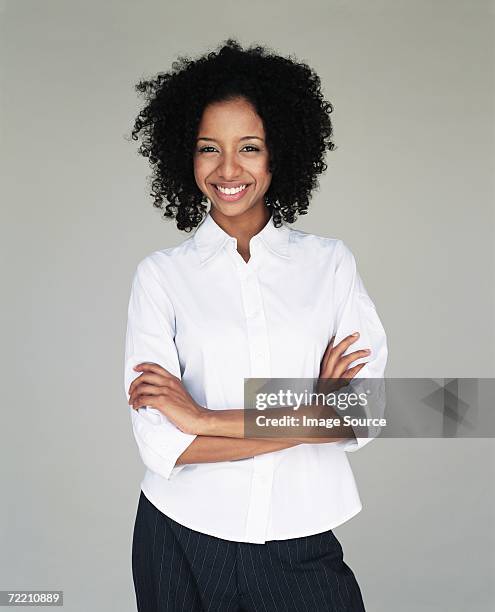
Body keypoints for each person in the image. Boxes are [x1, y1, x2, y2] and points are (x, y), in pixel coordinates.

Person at [124, 38, 388, 612]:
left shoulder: (330, 264)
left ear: (279, 154)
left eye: (249, 147)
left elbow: (363, 416)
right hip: (177, 535)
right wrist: (311, 412)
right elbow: (162, 444)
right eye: (207, 149)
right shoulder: (161, 278)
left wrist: (206, 418)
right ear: (184, 157)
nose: (227, 170)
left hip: (300, 541)